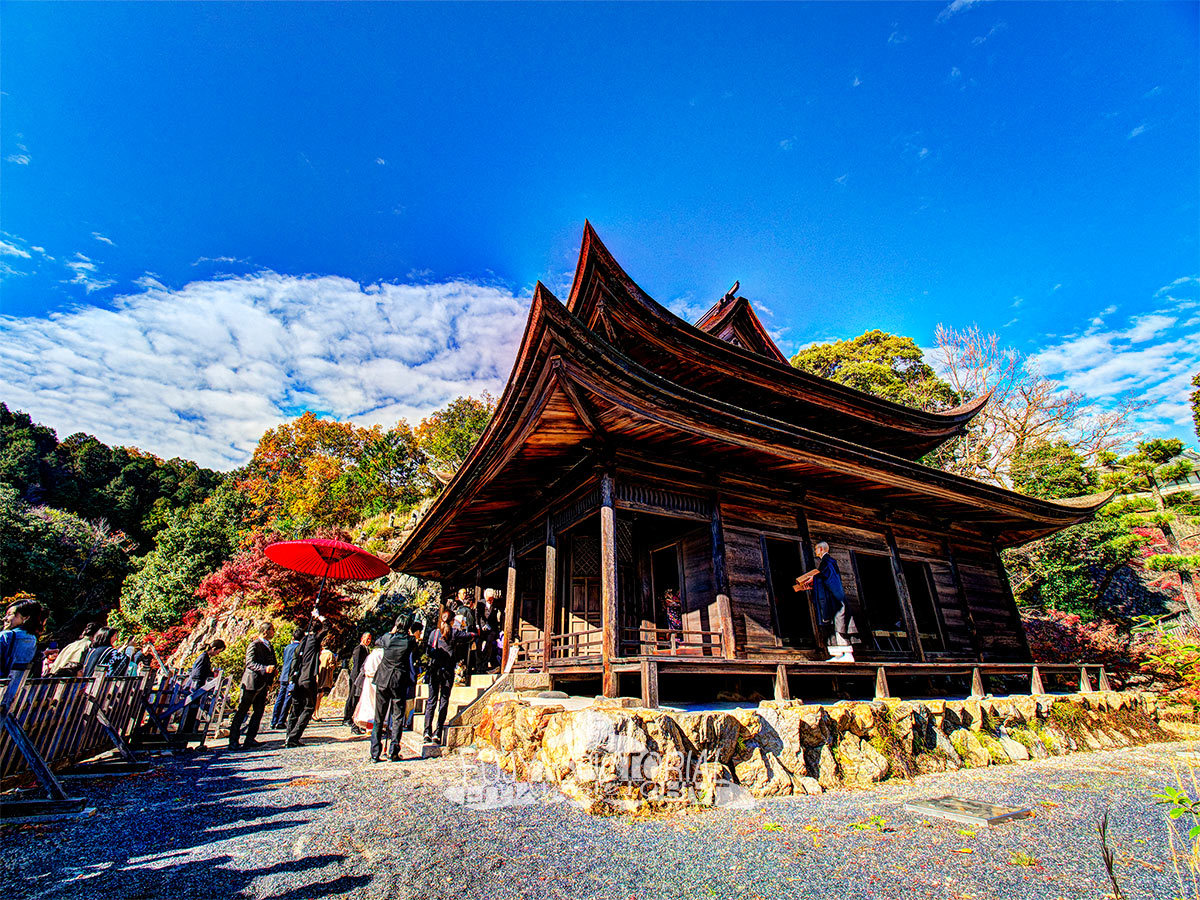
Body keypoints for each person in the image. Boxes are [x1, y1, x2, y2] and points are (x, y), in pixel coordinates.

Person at [795, 541, 854, 662]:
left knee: (839, 624)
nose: (815, 551)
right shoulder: (825, 563)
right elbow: (823, 580)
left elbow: (828, 578)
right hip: (829, 599)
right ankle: (837, 654)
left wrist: (814, 578)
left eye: (816, 549)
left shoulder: (828, 562)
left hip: (834, 599)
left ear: (821, 549)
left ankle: (847, 653)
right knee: (831, 625)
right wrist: (813, 583)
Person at [369, 615, 414, 762]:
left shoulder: (387, 638)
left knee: (379, 716)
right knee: (397, 716)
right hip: (398, 680)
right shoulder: (409, 641)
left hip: (383, 679)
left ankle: (375, 752)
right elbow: (416, 648)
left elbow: (377, 642)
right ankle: (393, 751)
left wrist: (392, 631)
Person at [228, 622, 277, 750]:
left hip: (263, 684)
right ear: (265, 631)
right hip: (251, 683)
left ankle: (250, 738)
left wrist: (270, 679)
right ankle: (233, 741)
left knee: (258, 712)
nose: (273, 632)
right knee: (242, 711)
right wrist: (264, 669)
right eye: (272, 630)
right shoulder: (254, 645)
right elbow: (250, 663)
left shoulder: (269, 645)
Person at [285, 612, 329, 748]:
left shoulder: (302, 643)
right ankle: (294, 737)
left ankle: (288, 736)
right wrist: (321, 617)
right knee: (309, 707)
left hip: (297, 678)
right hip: (308, 677)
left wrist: (291, 678)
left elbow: (294, 660)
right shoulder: (314, 640)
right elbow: (327, 628)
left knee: (295, 708)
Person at [423, 609, 458, 746]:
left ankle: (427, 732)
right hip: (447, 672)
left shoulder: (434, 633)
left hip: (434, 671)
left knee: (431, 701)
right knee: (444, 701)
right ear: (452, 620)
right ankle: (437, 732)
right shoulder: (454, 633)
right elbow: (470, 635)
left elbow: (427, 650)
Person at [0, 598, 44, 704]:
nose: (4, 619)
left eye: (10, 614)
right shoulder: (32, 639)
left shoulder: (6, 636)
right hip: (15, 695)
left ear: (25, 618)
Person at [182, 639, 225, 735]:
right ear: (214, 649)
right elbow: (196, 674)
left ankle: (190, 730)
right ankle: (187, 731)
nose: (218, 653)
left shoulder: (205, 657)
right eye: (218, 651)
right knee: (192, 708)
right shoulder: (203, 657)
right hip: (196, 685)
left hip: (199, 684)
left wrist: (212, 673)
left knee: (195, 708)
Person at [270, 631, 301, 729]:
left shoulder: (287, 647)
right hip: (292, 675)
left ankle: (274, 720)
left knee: (280, 697)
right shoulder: (299, 648)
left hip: (284, 674)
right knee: (288, 698)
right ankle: (281, 720)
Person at [343, 632, 372, 734]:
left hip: (361, 676)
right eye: (367, 638)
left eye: (369, 639)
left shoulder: (366, 649)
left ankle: (350, 717)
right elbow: (357, 663)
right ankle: (347, 718)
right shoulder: (359, 648)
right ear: (362, 638)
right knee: (352, 697)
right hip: (356, 676)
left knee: (356, 698)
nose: (368, 641)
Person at [353, 638, 385, 730]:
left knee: (368, 702)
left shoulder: (372, 654)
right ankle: (375, 725)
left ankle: (368, 725)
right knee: (375, 703)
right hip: (377, 679)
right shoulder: (381, 654)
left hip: (369, 679)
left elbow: (365, 667)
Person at [452, 589, 477, 685]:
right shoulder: (468, 611)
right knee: (465, 658)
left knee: (458, 659)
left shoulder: (458, 610)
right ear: (470, 603)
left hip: (457, 637)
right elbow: (470, 625)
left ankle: (457, 678)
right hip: (465, 637)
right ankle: (462, 678)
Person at [477, 588, 502, 673]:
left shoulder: (495, 604)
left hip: (491, 629)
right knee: (479, 648)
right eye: (489, 599)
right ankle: (479, 666)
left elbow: (495, 618)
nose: (490, 601)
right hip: (481, 629)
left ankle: (485, 664)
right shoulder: (480, 603)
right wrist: (482, 625)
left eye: (491, 599)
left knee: (489, 647)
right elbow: (478, 616)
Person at [313, 646, 336, 720]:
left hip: (316, 674)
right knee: (319, 695)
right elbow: (332, 665)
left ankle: (314, 712)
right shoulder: (329, 654)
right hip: (324, 675)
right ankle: (316, 712)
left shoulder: (317, 653)